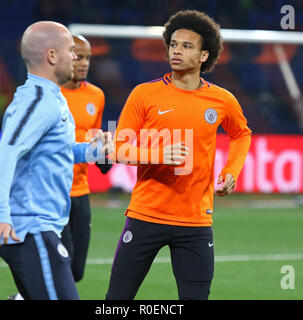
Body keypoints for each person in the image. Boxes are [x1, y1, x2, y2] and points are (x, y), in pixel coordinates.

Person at [106, 10, 252, 300]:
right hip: (146, 214)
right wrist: (159, 153)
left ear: (203, 56)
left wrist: (231, 172)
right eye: (173, 44)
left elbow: (241, 134)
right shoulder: (143, 95)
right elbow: (117, 150)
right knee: (116, 301)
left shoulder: (222, 100)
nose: (176, 50)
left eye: (187, 46)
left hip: (196, 221)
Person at [0, 21, 113, 300]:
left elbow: (62, 150)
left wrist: (93, 151)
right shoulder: (39, 101)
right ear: (52, 56)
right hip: (31, 230)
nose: (76, 58)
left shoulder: (53, 98)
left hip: (42, 228)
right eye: (71, 51)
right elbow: (6, 152)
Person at [60, 35, 112, 283]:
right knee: (64, 267)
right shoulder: (50, 94)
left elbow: (93, 137)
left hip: (81, 192)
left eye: (88, 58)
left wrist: (103, 154)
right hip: (54, 193)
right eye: (79, 57)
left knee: (76, 271)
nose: (84, 63)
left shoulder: (96, 96)